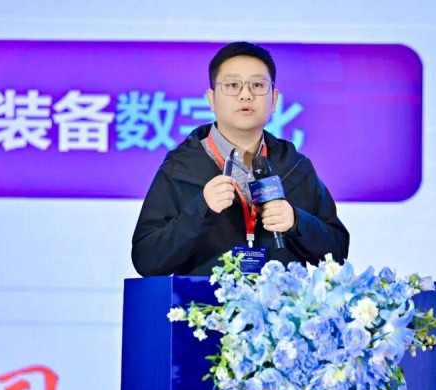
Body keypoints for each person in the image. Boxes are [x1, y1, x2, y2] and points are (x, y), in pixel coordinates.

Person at [131, 42, 349, 276]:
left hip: (280, 299)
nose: (246, 95)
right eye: (233, 85)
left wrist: (297, 222)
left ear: (274, 100)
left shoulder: (296, 167)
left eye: (257, 85)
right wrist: (200, 210)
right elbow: (146, 259)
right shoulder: (180, 168)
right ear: (212, 99)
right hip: (203, 299)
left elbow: (338, 252)